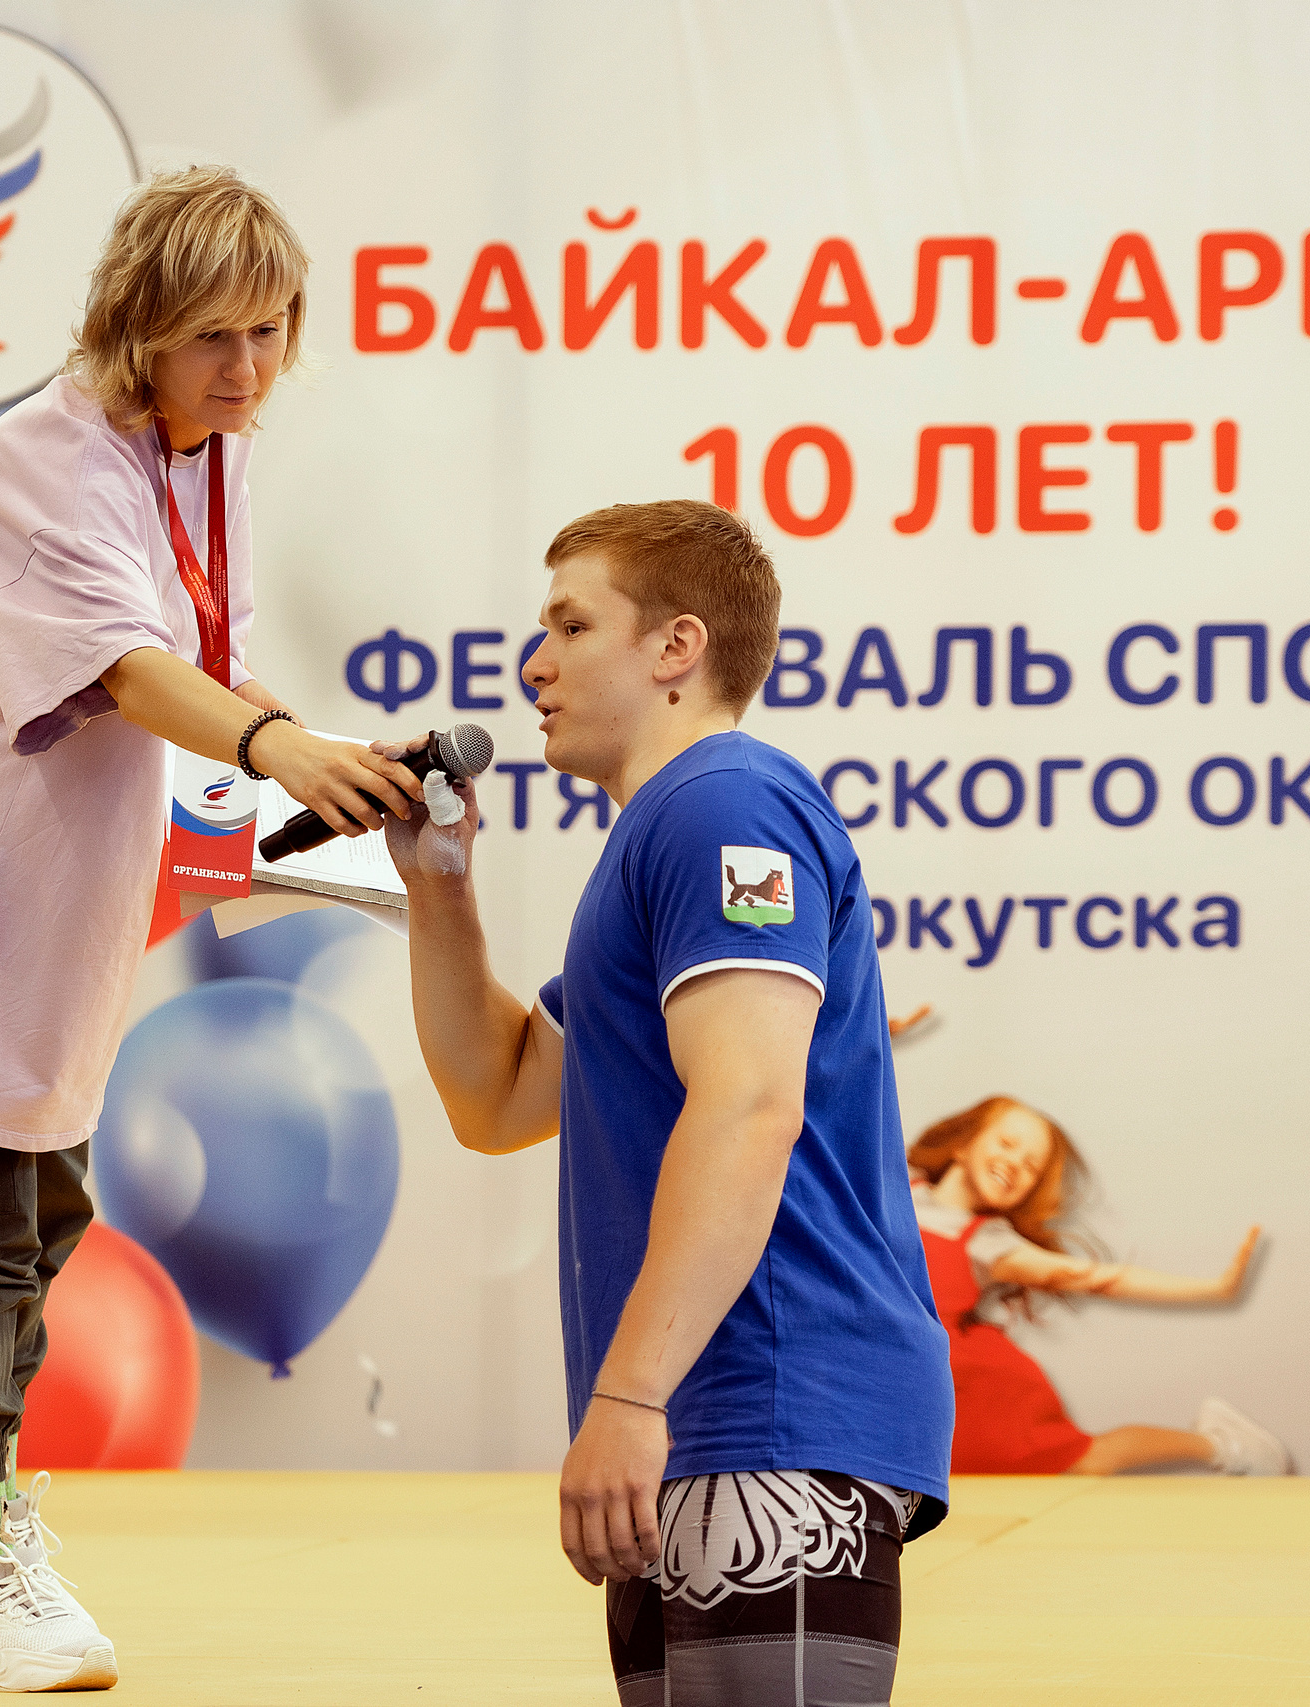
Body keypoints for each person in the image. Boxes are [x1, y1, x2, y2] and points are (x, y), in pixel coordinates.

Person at [0, 166, 423, 1694]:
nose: (248, 369)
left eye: (270, 332)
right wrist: (276, 752)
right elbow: (131, 669)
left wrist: (318, 754)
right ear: (136, 329)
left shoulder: (206, 457)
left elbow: (211, 661)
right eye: (215, 337)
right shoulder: (43, 465)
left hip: (53, 900)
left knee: (50, 1212)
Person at [383, 499, 952, 1707]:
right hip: (699, 1418)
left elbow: (749, 1108)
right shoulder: (657, 838)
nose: (531, 663)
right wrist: (438, 886)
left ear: (675, 648)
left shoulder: (722, 804)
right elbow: (495, 1097)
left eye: (570, 624)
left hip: (771, 1401)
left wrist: (628, 1394)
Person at [908, 1094, 1290, 1475]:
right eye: (1007, 1143)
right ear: (962, 1144)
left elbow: (1098, 1278)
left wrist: (1215, 1289)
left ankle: (1221, 1444)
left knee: (1082, 1461)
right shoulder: (888, 1188)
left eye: (1031, 1167)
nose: (1014, 1163)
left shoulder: (987, 1243)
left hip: (973, 1389)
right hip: (901, 1373)